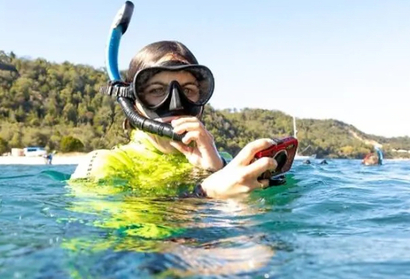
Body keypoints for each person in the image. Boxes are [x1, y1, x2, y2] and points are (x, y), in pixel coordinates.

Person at [69, 40, 278, 198]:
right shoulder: (103, 164)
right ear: (133, 103)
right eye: (157, 90)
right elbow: (99, 244)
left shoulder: (219, 160)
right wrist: (204, 193)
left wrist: (215, 170)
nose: (176, 104)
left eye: (188, 89)